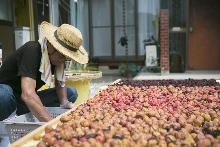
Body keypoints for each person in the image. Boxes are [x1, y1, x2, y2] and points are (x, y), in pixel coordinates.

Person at [0, 21, 89, 122]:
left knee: (71, 92)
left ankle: (31, 111)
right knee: (4, 95)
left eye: (67, 58)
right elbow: (28, 94)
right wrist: (50, 123)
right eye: (62, 55)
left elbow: (60, 84)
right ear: (50, 45)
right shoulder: (32, 50)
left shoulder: (58, 59)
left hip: (22, 102)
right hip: (6, 99)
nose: (63, 60)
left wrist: (64, 102)